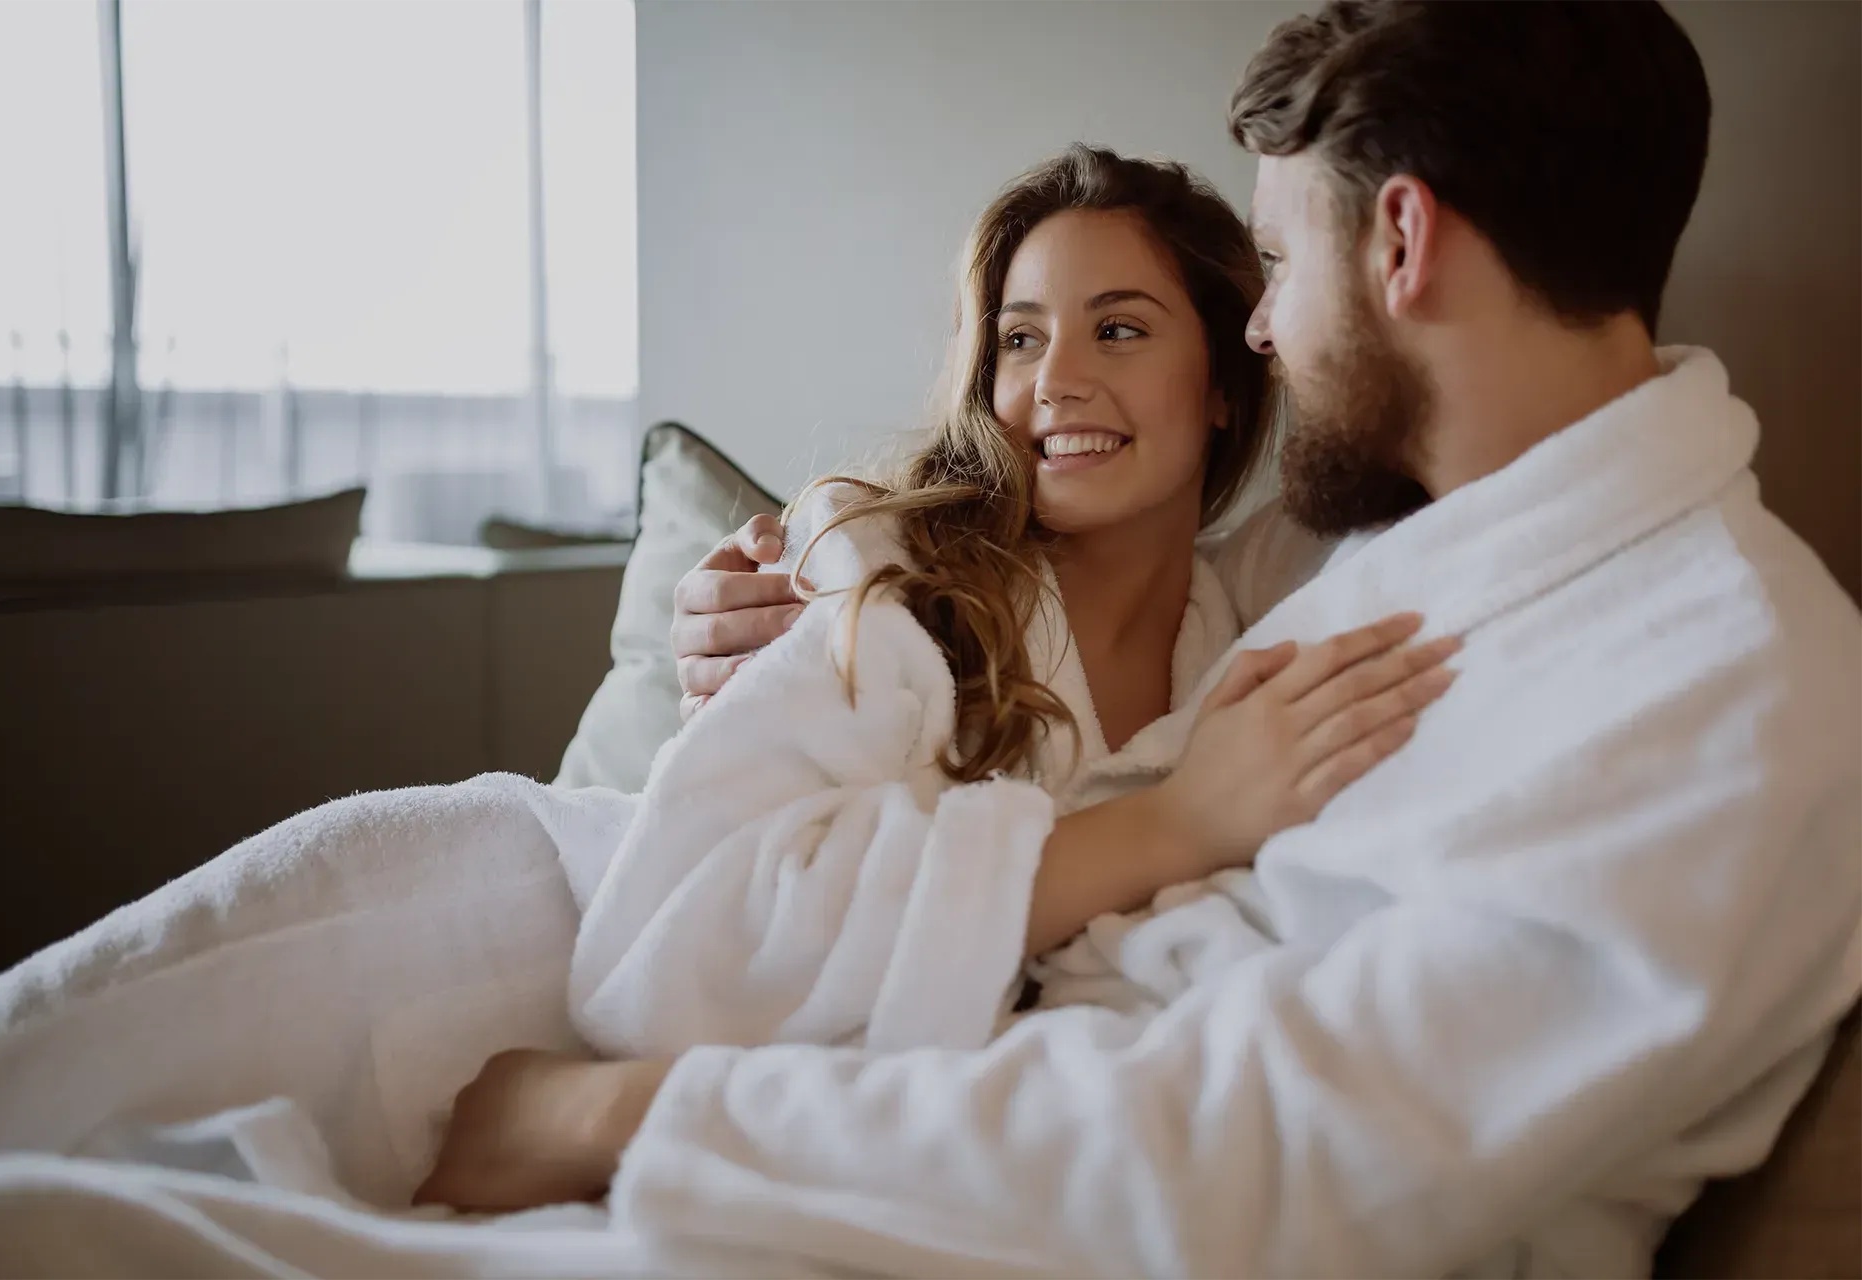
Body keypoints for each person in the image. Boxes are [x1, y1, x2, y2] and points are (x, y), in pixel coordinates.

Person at [416, 2, 1862, 1277]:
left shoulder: (1727, 698)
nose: (1268, 336)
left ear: (1403, 241)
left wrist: (628, 1115)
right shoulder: (1473, 550)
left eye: (1281, 263)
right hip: (926, 1087)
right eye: (1023, 337)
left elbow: (1247, 1172)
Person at [541, 145, 1459, 1073]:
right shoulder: (877, 570)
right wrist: (1176, 822)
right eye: (1020, 338)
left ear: (1224, 383)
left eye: (1120, 331)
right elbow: (689, 954)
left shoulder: (1264, 603)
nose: (1055, 380)